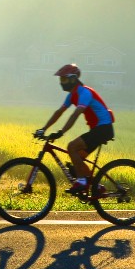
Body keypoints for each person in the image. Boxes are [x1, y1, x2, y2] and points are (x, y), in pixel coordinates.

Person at [34, 63, 115, 195]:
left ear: (73, 79)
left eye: (64, 79)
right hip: (97, 129)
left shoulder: (84, 93)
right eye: (61, 79)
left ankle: (82, 182)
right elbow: (58, 112)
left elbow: (75, 114)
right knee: (78, 160)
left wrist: (61, 132)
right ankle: (96, 187)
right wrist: (43, 129)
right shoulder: (72, 95)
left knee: (72, 147)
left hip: (103, 128)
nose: (61, 82)